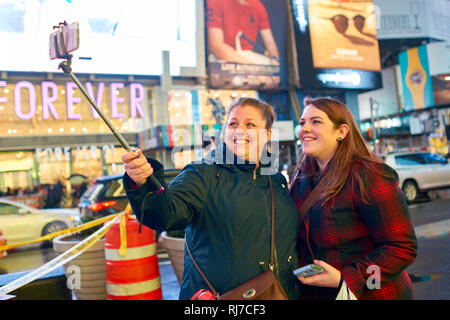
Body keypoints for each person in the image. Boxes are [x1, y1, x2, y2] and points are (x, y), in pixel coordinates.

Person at [122, 97, 301, 300]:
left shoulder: (276, 180)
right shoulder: (202, 172)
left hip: (278, 294)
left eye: (250, 124)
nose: (239, 130)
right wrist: (143, 182)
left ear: (267, 134)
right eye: (233, 123)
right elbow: (166, 214)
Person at [290, 97, 417, 300]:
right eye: (302, 122)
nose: (304, 128)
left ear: (341, 132)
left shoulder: (369, 175)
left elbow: (402, 247)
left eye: (316, 121)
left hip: (372, 294)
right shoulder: (302, 178)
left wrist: (348, 278)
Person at [206, 0, 279, 65]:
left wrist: (275, 62)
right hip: (222, 56)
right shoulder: (215, 1)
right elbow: (216, 46)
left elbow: (269, 42)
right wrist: (251, 69)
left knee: (272, 70)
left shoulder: (257, 5)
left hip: (247, 56)